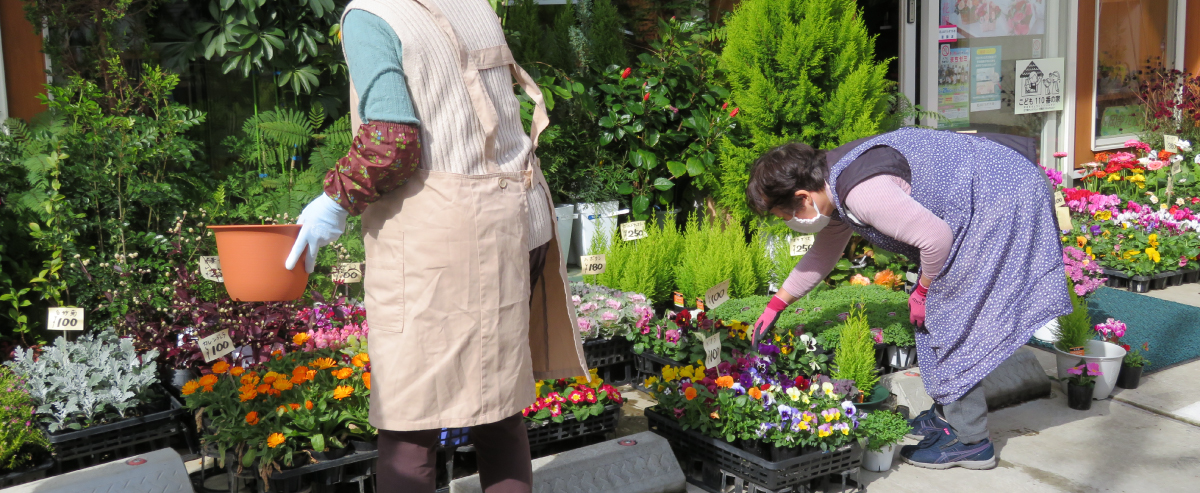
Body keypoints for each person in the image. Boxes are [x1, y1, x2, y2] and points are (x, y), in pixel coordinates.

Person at [283, 1, 588, 491]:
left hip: (440, 240)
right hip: (517, 220)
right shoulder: (471, 3)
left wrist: (334, 201)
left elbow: (393, 141)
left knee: (410, 421)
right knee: (499, 406)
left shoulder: (369, 16)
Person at [745, 127, 1070, 470]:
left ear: (803, 197)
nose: (789, 223)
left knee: (950, 314)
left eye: (785, 216)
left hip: (1003, 200)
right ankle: (948, 415)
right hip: (993, 189)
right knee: (941, 310)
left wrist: (923, 291)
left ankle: (970, 440)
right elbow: (822, 255)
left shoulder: (861, 192)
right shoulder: (831, 182)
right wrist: (777, 303)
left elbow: (936, 239)